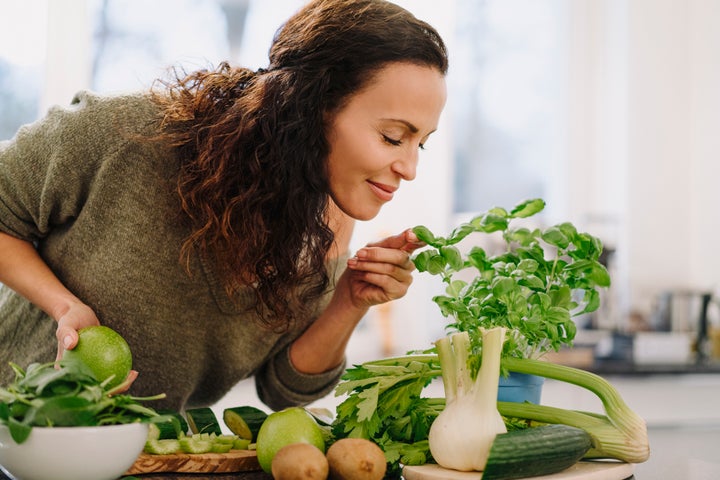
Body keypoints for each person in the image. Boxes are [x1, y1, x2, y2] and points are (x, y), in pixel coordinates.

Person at [0, 0, 448, 411]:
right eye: (393, 136)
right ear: (316, 106)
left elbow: (284, 389)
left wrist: (349, 300)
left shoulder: (329, 223)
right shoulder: (128, 134)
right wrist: (63, 307)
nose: (409, 168)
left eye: (421, 145)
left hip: (148, 463)